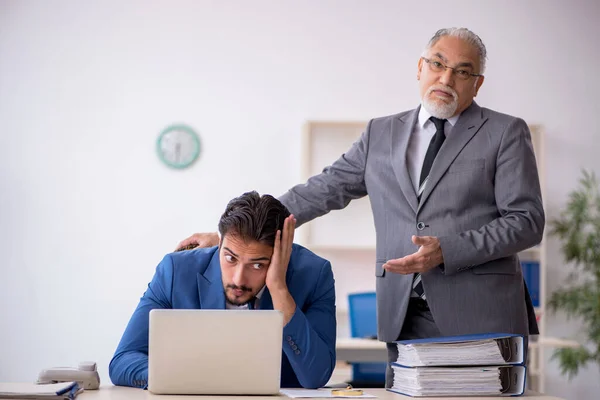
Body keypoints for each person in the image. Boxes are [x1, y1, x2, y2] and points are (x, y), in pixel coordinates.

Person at [176, 27, 544, 387]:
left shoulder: (505, 132)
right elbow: (322, 190)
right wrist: (235, 235)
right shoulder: (380, 133)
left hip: (481, 312)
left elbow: (527, 221)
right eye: (437, 63)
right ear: (420, 67)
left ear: (477, 83)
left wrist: (446, 250)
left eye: (462, 71)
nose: (446, 77)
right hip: (403, 312)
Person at [109, 191, 336, 389]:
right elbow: (122, 361)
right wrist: (183, 378)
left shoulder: (314, 275)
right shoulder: (176, 271)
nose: (238, 278)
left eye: (257, 264)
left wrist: (278, 289)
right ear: (220, 244)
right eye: (230, 258)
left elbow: (315, 376)